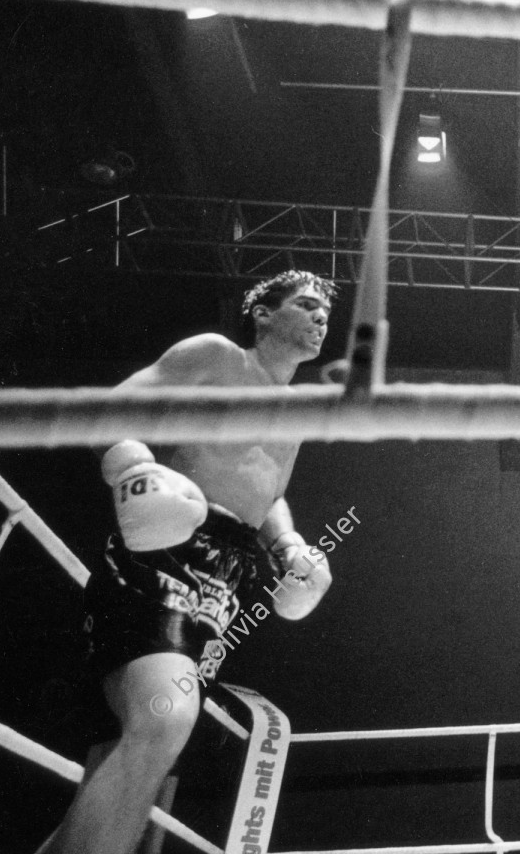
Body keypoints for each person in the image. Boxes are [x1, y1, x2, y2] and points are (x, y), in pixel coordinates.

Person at [40, 271, 339, 854]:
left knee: (150, 747)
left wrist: (291, 547)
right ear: (263, 314)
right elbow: (108, 415)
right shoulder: (216, 358)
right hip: (164, 549)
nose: (321, 318)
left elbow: (269, 489)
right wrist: (133, 470)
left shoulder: (297, 412)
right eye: (306, 305)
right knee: (165, 719)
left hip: (225, 582)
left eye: (326, 312)